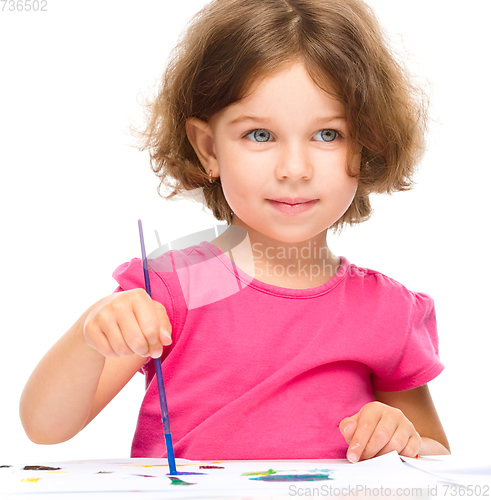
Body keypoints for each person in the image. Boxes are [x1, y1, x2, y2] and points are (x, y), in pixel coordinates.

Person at [20, 0, 450, 462]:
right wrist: (92, 333)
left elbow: (437, 454)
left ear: (369, 144)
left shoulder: (386, 311)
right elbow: (46, 428)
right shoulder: (174, 289)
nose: (294, 168)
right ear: (208, 148)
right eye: (260, 135)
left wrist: (403, 440)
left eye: (328, 134)